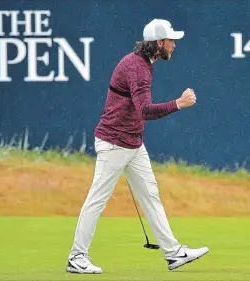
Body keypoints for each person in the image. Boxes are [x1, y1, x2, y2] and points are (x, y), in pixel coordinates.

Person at [66, 18, 209, 274]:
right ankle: (77, 257)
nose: (174, 45)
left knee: (151, 197)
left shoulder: (143, 64)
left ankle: (174, 253)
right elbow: (144, 111)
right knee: (96, 200)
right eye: (171, 41)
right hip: (114, 143)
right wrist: (178, 103)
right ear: (158, 43)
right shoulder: (138, 68)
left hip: (133, 143)